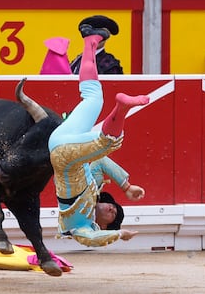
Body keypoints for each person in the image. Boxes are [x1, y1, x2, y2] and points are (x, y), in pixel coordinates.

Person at [48, 23, 149, 247]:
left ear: (103, 225)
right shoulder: (93, 187)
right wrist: (126, 186)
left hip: (64, 156)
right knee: (93, 97)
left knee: (109, 143)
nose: (112, 208)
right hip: (61, 139)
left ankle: (122, 108)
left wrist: (120, 234)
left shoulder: (80, 227)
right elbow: (100, 161)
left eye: (113, 215)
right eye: (115, 208)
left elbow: (93, 240)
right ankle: (89, 42)